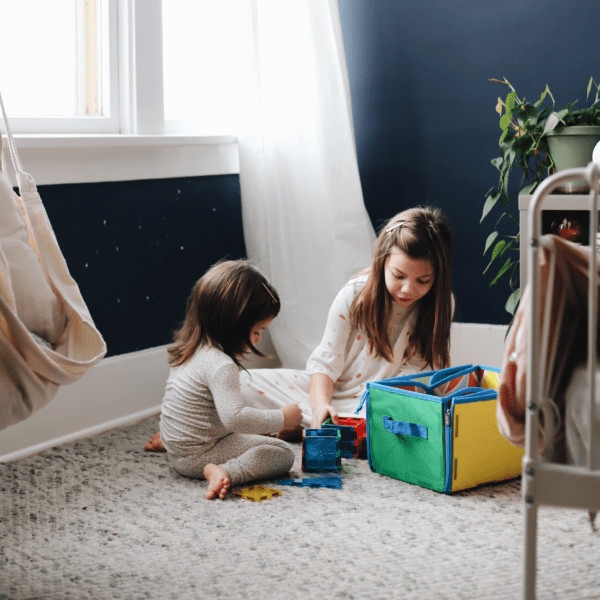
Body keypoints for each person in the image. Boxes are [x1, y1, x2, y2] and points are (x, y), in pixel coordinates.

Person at [146, 205, 453, 449]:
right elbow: (325, 363)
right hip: (327, 392)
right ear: (382, 261)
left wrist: (392, 409)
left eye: (422, 281)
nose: (407, 289)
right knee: (238, 387)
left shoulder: (441, 306)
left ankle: (293, 429)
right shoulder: (355, 296)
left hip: (383, 399)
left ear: (437, 278)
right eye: (398, 275)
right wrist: (320, 406)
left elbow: (413, 376)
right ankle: (186, 435)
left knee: (405, 427)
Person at [154, 259, 302, 500]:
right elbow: (234, 419)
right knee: (282, 453)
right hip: (199, 456)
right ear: (232, 323)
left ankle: (177, 445)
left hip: (180, 451)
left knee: (256, 433)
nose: (257, 339)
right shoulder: (221, 364)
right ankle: (225, 471)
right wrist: (282, 418)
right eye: (256, 331)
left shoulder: (191, 349)